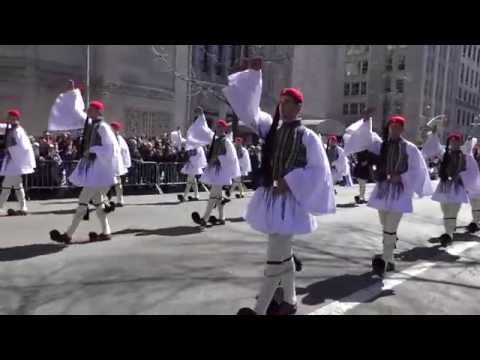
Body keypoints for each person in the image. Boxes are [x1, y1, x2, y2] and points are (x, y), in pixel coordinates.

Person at [223, 58, 335, 315]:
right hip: (272, 199)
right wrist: (251, 75)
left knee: (275, 257)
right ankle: (290, 301)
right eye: (281, 102)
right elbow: (249, 110)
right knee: (282, 254)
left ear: (299, 107)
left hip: (290, 202)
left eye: (288, 103)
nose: (282, 107)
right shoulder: (271, 128)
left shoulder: (308, 136)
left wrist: (290, 180)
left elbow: (319, 170)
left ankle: (260, 309)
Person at [344, 113, 433, 276]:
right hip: (383, 190)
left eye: (398, 127)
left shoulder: (409, 148)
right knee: (385, 223)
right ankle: (390, 257)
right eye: (392, 127)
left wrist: (402, 177)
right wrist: (366, 121)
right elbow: (367, 139)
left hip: (400, 191)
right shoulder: (382, 145)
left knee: (390, 226)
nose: (394, 130)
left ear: (402, 129)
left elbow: (416, 169)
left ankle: (384, 261)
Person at [50, 100, 121, 244]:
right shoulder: (94, 125)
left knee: (83, 202)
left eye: (91, 109)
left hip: (98, 173)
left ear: (97, 111)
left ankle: (68, 234)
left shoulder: (102, 127)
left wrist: (92, 150)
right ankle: (106, 232)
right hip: (94, 171)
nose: (88, 111)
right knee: (98, 203)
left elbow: (110, 148)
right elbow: (78, 115)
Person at [424, 132, 480, 246]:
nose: (454, 143)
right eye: (452, 141)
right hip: (444, 187)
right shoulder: (445, 153)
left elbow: (470, 170)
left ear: (460, 142)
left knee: (452, 212)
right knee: (445, 211)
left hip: (457, 187)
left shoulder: (465, 156)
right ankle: (448, 232)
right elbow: (434, 147)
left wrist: (465, 180)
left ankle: (448, 234)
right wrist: (434, 135)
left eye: (457, 141)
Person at [191, 119, 240, 228]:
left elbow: (231, 158)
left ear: (223, 129)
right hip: (216, 171)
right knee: (217, 196)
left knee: (213, 195)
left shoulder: (226, 141)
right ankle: (222, 218)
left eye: (219, 127)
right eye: (216, 127)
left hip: (220, 172)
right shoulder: (218, 140)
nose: (217, 129)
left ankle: (205, 218)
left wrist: (218, 158)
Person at [0, 109, 36, 216]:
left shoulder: (18, 131)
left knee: (7, 186)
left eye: (9, 116)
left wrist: (10, 149)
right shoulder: (11, 129)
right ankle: (23, 207)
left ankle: (2, 206)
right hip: (12, 162)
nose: (7, 118)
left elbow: (24, 147)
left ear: (15, 118)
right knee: (16, 186)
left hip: (15, 162)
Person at [178, 108, 211, 202]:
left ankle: (184, 197)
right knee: (192, 181)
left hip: (194, 165)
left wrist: (202, 114)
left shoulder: (198, 145)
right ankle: (196, 195)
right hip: (192, 165)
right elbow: (185, 142)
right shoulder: (193, 143)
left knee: (190, 181)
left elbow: (203, 125)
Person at [109, 121, 131, 207]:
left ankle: (120, 200)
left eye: (113, 128)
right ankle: (105, 199)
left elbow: (124, 152)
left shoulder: (120, 139)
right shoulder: (110, 137)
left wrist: (125, 164)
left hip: (116, 164)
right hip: (109, 164)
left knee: (118, 183)